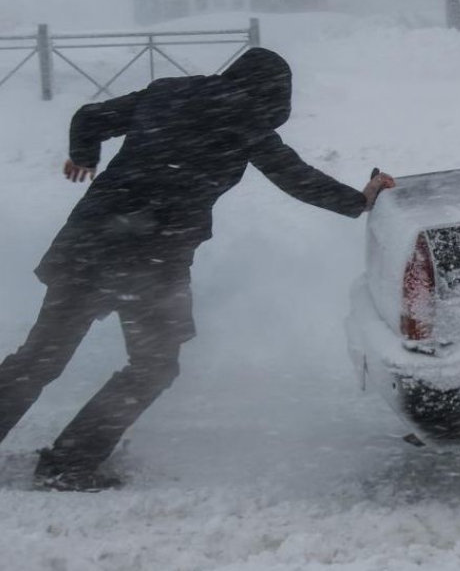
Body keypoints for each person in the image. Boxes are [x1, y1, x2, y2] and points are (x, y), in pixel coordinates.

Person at [0, 47, 395, 492]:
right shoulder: (246, 120)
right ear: (274, 95)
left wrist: (84, 155)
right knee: (152, 365)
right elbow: (296, 178)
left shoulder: (166, 92)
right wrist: (358, 201)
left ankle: (68, 461)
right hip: (153, 259)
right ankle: (69, 464)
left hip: (90, 244)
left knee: (41, 357)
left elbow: (90, 116)